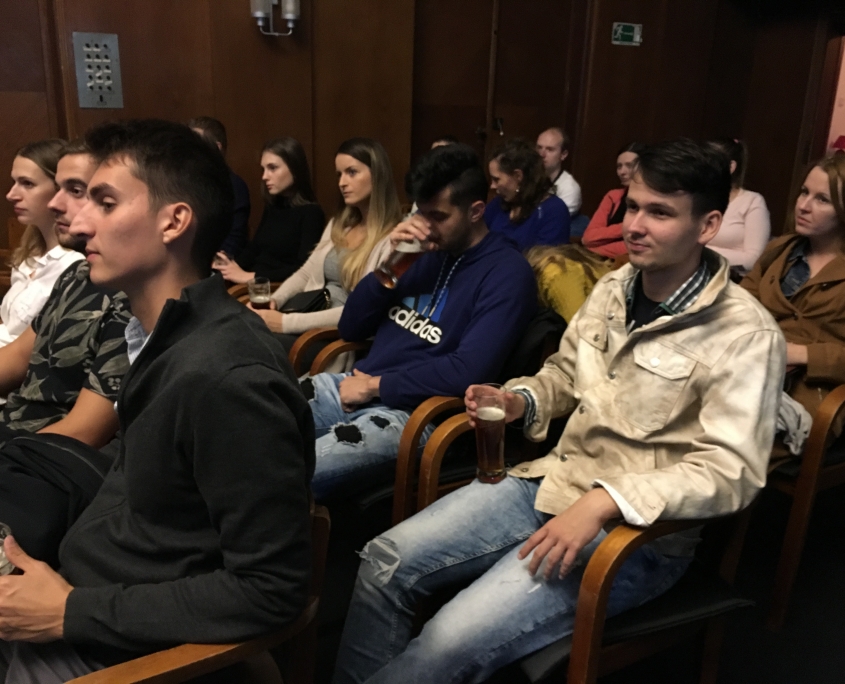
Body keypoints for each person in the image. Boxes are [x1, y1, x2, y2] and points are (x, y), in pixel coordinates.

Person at [332, 139, 786, 684]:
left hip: (631, 537)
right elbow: (566, 376)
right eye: (633, 206)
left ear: (708, 225)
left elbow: (732, 471)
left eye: (660, 213)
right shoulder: (615, 286)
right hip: (551, 481)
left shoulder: (746, 333)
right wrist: (519, 399)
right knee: (384, 561)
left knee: (447, 638)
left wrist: (606, 500)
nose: (635, 225)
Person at [0, 119, 315, 682]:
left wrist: (70, 612)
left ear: (174, 221)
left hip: (115, 648)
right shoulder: (162, 338)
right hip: (86, 597)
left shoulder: (226, 377)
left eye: (105, 202)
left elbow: (271, 589)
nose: (79, 221)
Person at [304, 143, 537, 500]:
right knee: (250, 423)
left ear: (476, 211)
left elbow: (467, 370)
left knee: (286, 471)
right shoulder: (421, 253)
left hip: (414, 415)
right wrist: (392, 263)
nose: (426, 228)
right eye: (420, 214)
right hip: (354, 386)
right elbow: (351, 327)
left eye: (438, 216)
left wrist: (375, 386)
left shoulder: (507, 273)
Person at [0, 139, 131, 445]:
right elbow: (18, 357)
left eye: (76, 191)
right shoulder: (78, 273)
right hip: (14, 429)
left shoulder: (133, 294)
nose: (54, 204)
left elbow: (83, 432)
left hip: (42, 455)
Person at [249, 138, 399, 358]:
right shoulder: (340, 224)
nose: (342, 182)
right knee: (241, 332)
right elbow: (306, 273)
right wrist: (275, 300)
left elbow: (361, 310)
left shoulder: (392, 240)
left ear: (377, 175)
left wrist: (286, 322)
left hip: (334, 339)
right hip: (307, 314)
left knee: (252, 346)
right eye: (339, 174)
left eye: (352, 172)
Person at [741, 152, 845, 465]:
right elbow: (738, 308)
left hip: (814, 394)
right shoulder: (780, 250)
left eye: (822, 199)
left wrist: (801, 354)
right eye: (804, 192)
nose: (803, 205)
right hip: (749, 372)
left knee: (724, 444)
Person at [3, 139, 84, 348]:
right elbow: (9, 329)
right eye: (14, 182)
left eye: (27, 184)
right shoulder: (30, 253)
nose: (11, 195)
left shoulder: (75, 263)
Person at [213, 136, 325, 284]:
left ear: (294, 168)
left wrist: (252, 276)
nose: (265, 176)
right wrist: (229, 264)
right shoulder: (273, 207)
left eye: (272, 168)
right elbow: (254, 250)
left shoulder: (311, 213)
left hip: (275, 288)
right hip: (253, 283)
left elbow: (304, 270)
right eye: (263, 169)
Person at [485, 138, 570, 251]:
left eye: (496, 179)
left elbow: (546, 259)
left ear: (518, 176)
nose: (492, 186)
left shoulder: (553, 211)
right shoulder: (498, 204)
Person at [188, 116, 251, 258]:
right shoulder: (185, 181)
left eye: (197, 144)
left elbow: (233, 242)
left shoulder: (235, 186)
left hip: (214, 263)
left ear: (217, 148)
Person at [706, 138, 770, 275]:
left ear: (731, 167)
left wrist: (699, 253)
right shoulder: (698, 197)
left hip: (733, 278)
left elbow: (753, 259)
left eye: (709, 162)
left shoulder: (752, 201)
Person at [581, 142, 645, 258]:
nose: (622, 172)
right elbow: (588, 238)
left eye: (629, 165)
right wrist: (625, 227)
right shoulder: (613, 196)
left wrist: (595, 250)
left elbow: (637, 247)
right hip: (600, 260)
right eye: (619, 166)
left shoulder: (650, 201)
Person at [536, 127, 581, 216]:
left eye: (550, 149)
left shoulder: (569, 188)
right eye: (539, 148)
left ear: (563, 155)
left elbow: (553, 219)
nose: (542, 154)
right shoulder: (526, 177)